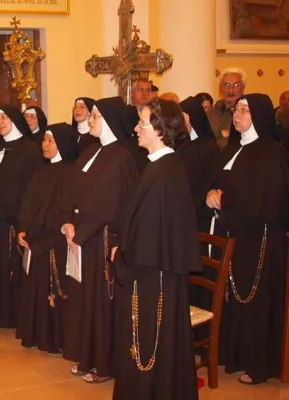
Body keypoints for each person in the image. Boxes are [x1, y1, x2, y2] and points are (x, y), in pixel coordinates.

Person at [111, 99, 200, 400]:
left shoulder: (164, 172)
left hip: (152, 276)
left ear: (161, 130)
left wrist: (121, 256)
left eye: (143, 123)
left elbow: (149, 233)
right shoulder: (159, 166)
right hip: (152, 270)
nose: (136, 128)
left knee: (149, 348)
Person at [201, 94, 289, 385]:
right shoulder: (233, 148)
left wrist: (224, 199)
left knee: (256, 302)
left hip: (260, 239)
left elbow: (266, 201)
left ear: (259, 116)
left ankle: (258, 364)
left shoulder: (272, 152)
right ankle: (234, 355)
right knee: (234, 299)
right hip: (234, 234)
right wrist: (212, 194)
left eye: (244, 110)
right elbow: (219, 182)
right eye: (236, 109)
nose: (236, 115)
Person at [60, 97, 139, 383]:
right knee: (85, 302)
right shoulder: (92, 151)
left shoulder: (121, 156)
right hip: (82, 236)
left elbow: (108, 205)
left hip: (100, 240)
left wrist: (79, 233)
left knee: (100, 304)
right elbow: (70, 190)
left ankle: (104, 364)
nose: (89, 120)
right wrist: (67, 221)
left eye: (94, 116)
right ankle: (87, 356)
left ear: (109, 121)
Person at [16, 122, 78, 355]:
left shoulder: (71, 172)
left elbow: (65, 210)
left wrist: (44, 235)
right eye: (44, 140)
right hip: (35, 239)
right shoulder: (41, 170)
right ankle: (35, 334)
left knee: (54, 291)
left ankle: (54, 339)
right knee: (35, 288)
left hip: (55, 242)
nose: (45, 144)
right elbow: (28, 203)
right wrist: (23, 228)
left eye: (50, 141)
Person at [0, 105, 43, 329]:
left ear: (15, 120)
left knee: (14, 271)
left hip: (17, 221)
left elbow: (30, 190)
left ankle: (16, 318)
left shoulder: (29, 149)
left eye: (4, 117)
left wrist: (2, 212)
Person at [208, 67, 246, 148]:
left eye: (236, 85)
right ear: (220, 88)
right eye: (226, 85)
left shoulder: (248, 112)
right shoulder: (211, 112)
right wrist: (222, 132)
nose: (230, 90)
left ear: (243, 88)